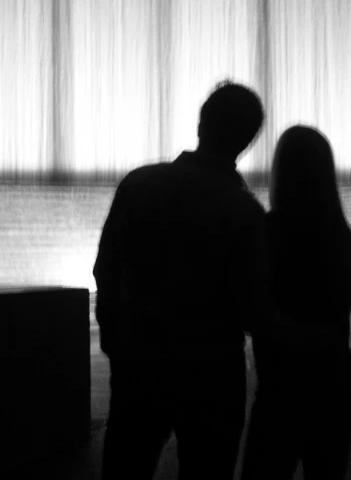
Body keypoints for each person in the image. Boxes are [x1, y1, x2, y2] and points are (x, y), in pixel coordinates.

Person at [94, 81, 281, 480]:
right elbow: (251, 307)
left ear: (201, 123)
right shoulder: (244, 212)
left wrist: (116, 342)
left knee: (125, 466)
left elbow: (105, 270)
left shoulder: (138, 184)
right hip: (212, 372)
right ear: (247, 141)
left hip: (139, 365)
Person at [241, 126, 351, 480]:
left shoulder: (267, 231)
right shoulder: (341, 234)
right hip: (336, 383)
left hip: (283, 389)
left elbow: (254, 310)